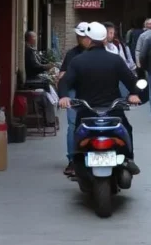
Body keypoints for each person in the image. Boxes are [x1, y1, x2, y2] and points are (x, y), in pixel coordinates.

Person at [58, 22, 142, 174]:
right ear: (104, 40)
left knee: (77, 132)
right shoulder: (115, 60)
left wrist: (64, 97)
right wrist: (134, 94)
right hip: (113, 109)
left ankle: (75, 162)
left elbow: (64, 82)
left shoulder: (78, 61)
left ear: (89, 40)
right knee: (126, 129)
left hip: (85, 110)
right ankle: (129, 159)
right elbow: (131, 81)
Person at [59, 22, 91, 176]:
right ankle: (72, 160)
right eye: (80, 36)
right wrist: (64, 95)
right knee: (73, 125)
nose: (82, 39)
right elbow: (63, 75)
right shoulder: (72, 54)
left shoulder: (99, 52)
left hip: (93, 92)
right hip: (73, 92)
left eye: (84, 36)